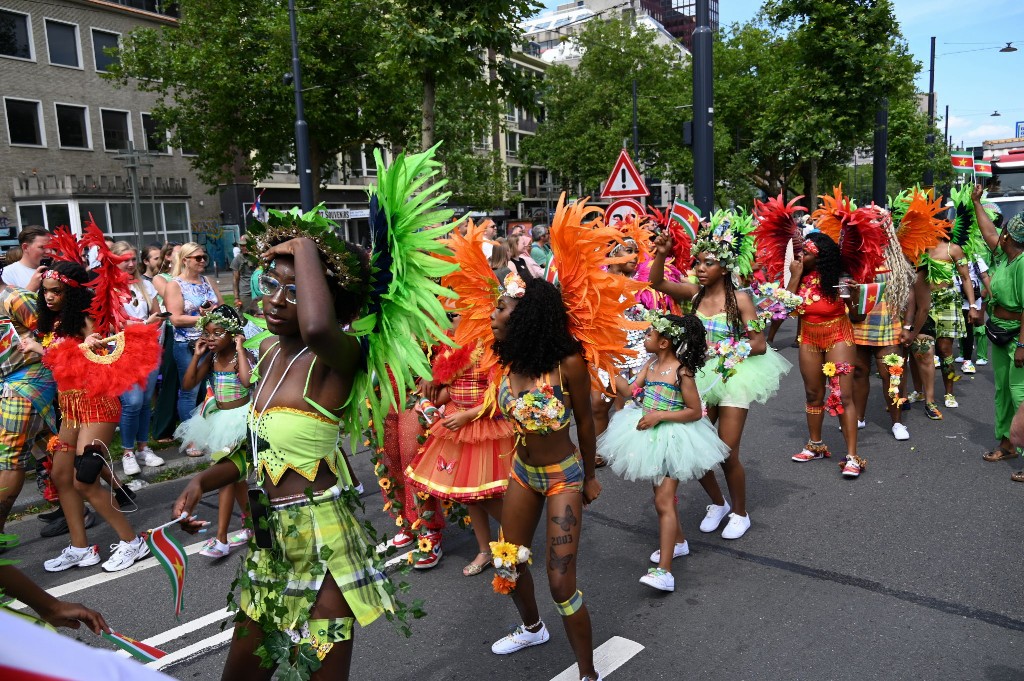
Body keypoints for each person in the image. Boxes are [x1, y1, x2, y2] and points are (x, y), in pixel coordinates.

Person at [170, 148, 456, 680]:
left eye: (295, 291)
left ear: (325, 298)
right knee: (241, 673)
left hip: (324, 536)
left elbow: (321, 327)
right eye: (271, 286)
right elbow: (257, 448)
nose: (275, 301)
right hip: (269, 537)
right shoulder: (272, 354)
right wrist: (201, 481)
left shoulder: (339, 356)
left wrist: (304, 242)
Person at [488, 197, 639, 681]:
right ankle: (532, 627)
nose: (494, 313)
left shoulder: (567, 363)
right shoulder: (507, 361)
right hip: (522, 472)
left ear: (528, 315)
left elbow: (587, 422)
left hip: (562, 477)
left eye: (503, 306)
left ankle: (589, 672)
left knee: (560, 582)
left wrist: (591, 476)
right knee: (507, 561)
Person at [22, 227, 161, 573]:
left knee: (85, 478)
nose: (50, 297)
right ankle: (81, 548)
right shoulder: (54, 322)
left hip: (97, 405)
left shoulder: (87, 321)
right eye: (46, 291)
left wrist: (48, 350)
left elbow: (104, 358)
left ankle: (133, 543)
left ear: (71, 294)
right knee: (61, 474)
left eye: (56, 292)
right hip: (70, 409)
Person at [651, 208, 790, 537]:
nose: (700, 268)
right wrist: (661, 253)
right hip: (699, 376)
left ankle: (740, 513)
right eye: (698, 262)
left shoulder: (741, 300)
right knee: (695, 450)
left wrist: (725, 349)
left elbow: (756, 344)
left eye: (708, 263)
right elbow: (656, 281)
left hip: (733, 376)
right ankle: (718, 502)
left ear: (725, 267)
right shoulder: (693, 295)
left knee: (726, 452)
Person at [406, 225, 515, 576]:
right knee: (470, 497)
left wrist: (468, 414)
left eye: (455, 316)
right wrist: (434, 384)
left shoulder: (491, 343)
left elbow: (499, 389)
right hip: (455, 421)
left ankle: (513, 543)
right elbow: (441, 384)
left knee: (493, 497)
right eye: (449, 316)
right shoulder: (450, 347)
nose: (450, 321)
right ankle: (484, 550)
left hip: (482, 423)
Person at [598, 312, 729, 592]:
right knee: (659, 496)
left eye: (649, 335)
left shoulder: (682, 372)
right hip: (648, 437)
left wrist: (660, 416)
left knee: (664, 501)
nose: (644, 338)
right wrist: (607, 369)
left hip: (675, 436)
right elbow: (632, 392)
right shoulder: (650, 364)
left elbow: (694, 412)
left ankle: (664, 572)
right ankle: (678, 542)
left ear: (664, 343)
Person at [174, 305, 252, 558]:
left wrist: (240, 349)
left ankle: (221, 539)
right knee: (235, 477)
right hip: (218, 420)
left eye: (218, 333)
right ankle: (251, 523)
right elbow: (187, 384)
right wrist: (196, 356)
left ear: (234, 333)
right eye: (208, 334)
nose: (211, 339)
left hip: (241, 421)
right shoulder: (211, 359)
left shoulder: (243, 356)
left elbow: (247, 381)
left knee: (228, 476)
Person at [971, 186, 1024, 475]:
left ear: (1010, 237)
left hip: (1019, 337)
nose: (996, 235)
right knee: (1003, 391)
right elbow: (987, 230)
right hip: (1002, 334)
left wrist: (1023, 345)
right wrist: (977, 203)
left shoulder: (1023, 263)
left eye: (1001, 233)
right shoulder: (1006, 256)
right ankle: (1008, 445)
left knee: (1020, 393)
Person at [0, 274, 58, 535]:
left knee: (10, 457)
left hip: (27, 383)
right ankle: (106, 498)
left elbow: (54, 334)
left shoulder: (15, 298)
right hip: (11, 383)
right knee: (55, 448)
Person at [110, 241, 166, 475]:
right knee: (131, 402)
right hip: (123, 352)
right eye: (126, 260)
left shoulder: (145, 285)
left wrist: (154, 321)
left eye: (133, 259)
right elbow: (113, 324)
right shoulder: (108, 289)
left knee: (144, 402)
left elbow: (157, 314)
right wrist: (140, 324)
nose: (131, 264)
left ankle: (143, 447)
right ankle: (127, 451)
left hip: (148, 350)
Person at [163, 242, 222, 439]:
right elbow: (176, 319)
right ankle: (190, 438)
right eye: (198, 258)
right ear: (186, 260)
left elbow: (222, 308)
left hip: (214, 345)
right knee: (190, 390)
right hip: (188, 346)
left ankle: (212, 431)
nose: (203, 261)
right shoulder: (175, 284)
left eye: (204, 257)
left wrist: (216, 315)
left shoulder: (208, 281)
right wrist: (205, 318)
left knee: (215, 387)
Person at [2, 225, 52, 291]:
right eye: (42, 247)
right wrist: (32, 287)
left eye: (51, 246)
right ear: (25, 247)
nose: (49, 251)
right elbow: (6, 301)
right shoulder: (7, 274)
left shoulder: (56, 269)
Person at [231, 235, 256, 315]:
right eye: (241, 245)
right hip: (245, 293)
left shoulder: (257, 257)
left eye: (245, 245)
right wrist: (236, 298)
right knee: (244, 317)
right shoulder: (237, 259)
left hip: (257, 292)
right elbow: (235, 279)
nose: (243, 247)